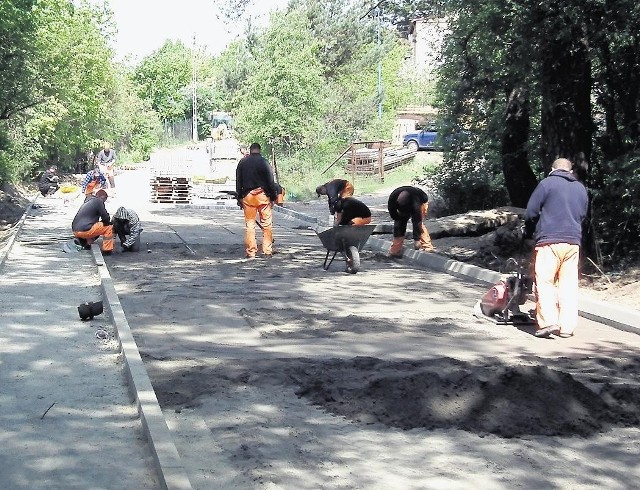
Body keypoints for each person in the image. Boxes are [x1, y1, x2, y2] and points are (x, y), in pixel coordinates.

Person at [524, 157, 589, 338]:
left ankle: (548, 323)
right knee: (568, 284)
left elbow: (531, 213)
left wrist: (529, 232)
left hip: (549, 241)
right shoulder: (580, 188)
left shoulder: (547, 184)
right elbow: (583, 214)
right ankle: (567, 327)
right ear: (570, 171)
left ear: (552, 169)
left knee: (545, 281)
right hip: (573, 243)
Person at [235, 142, 278, 258]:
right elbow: (270, 181)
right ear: (260, 150)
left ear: (250, 150)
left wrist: (239, 197)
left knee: (250, 225)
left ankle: (251, 252)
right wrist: (273, 197)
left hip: (248, 197)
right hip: (263, 197)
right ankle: (267, 251)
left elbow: (238, 181)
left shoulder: (242, 162)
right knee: (267, 224)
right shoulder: (264, 162)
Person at [387, 186, 435, 257]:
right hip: (407, 202)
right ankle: (395, 250)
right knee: (399, 224)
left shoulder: (416, 203)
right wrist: (400, 218)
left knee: (420, 225)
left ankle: (427, 246)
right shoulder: (392, 199)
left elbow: (417, 222)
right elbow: (394, 216)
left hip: (422, 202)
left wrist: (417, 240)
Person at [71, 189, 114, 254]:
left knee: (96, 227)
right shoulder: (98, 201)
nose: (104, 202)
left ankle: (84, 242)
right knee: (109, 227)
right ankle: (107, 250)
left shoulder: (88, 201)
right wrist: (107, 222)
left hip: (75, 230)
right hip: (86, 230)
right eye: (105, 199)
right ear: (103, 197)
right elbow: (106, 218)